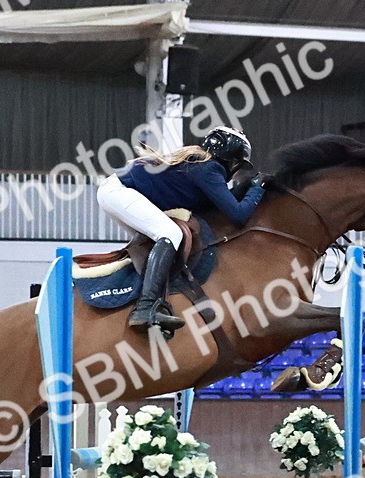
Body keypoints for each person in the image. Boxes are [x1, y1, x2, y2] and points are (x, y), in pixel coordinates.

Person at [97, 126, 265, 334]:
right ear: (231, 160)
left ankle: (147, 299)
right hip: (119, 192)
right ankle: (145, 307)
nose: (236, 168)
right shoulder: (209, 169)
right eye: (237, 164)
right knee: (170, 234)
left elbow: (220, 206)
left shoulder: (203, 166)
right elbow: (239, 215)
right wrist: (257, 188)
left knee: (160, 241)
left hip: (117, 191)